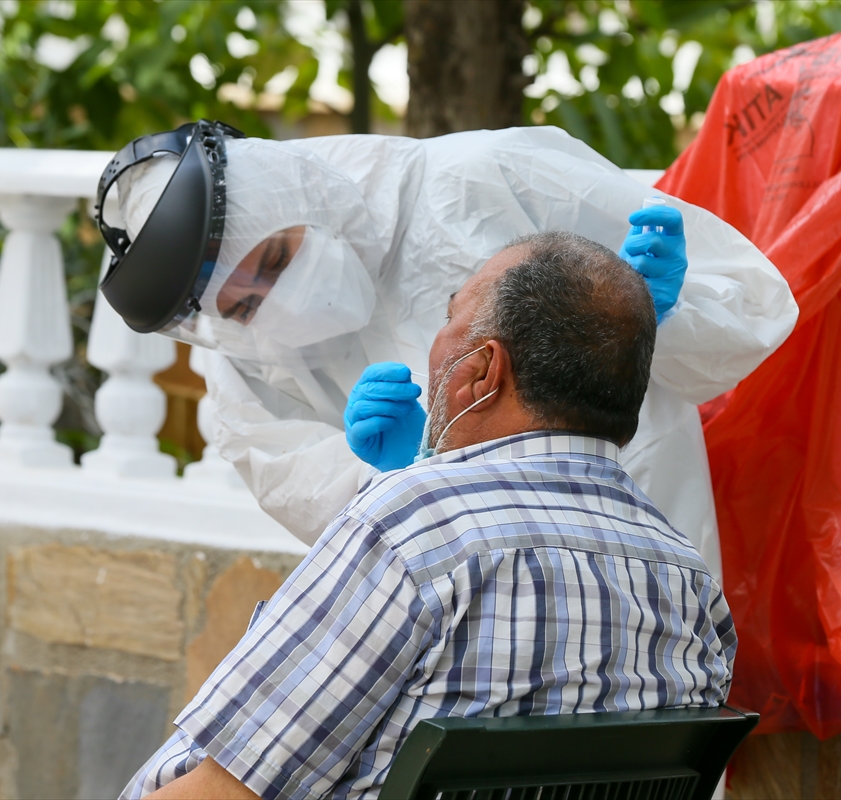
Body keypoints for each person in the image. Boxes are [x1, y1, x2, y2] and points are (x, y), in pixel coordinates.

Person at [121, 232, 737, 800]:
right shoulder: (691, 581)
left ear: (480, 373)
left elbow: (229, 789)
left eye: (449, 320)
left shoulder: (414, 525)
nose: (433, 347)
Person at [116, 126, 798, 574]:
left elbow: (750, 311)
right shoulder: (246, 353)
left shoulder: (483, 178)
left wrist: (657, 312)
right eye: (245, 304)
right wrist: (403, 477)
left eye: (276, 255)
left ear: (299, 193)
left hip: (636, 550)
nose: (283, 297)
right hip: (468, 618)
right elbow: (312, 497)